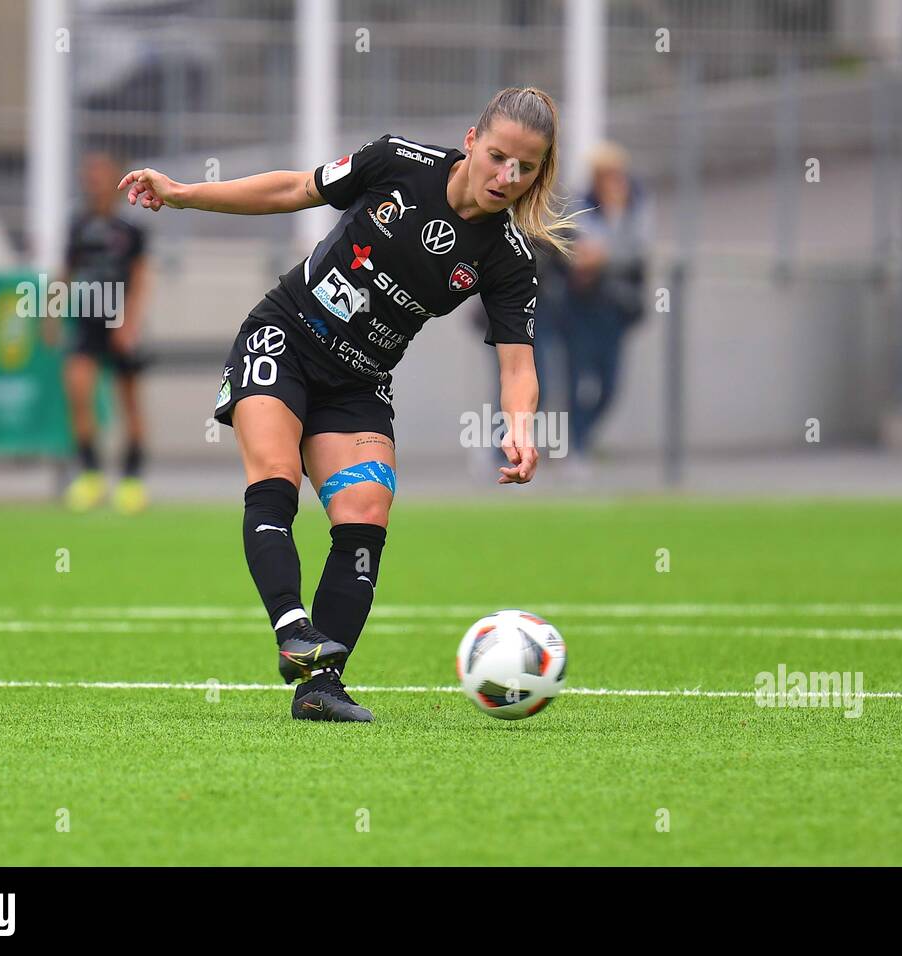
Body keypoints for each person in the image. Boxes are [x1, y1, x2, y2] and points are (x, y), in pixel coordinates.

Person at [116, 87, 575, 722]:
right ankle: (292, 629)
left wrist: (521, 427)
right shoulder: (397, 161)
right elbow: (293, 191)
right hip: (285, 336)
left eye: (526, 168)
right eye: (498, 156)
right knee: (276, 474)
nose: (508, 177)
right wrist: (184, 193)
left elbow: (518, 362)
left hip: (359, 381)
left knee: (366, 509)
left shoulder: (508, 258)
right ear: (471, 140)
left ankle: (320, 687)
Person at [59, 151, 152, 514]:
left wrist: (130, 322)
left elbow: (142, 276)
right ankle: (90, 476)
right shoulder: (78, 225)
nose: (93, 180)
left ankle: (131, 480)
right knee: (79, 391)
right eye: (89, 174)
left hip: (120, 321)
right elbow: (66, 269)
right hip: (86, 318)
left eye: (100, 174)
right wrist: (52, 313)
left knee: (127, 400)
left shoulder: (131, 229)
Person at [562, 142, 650, 463]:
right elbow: (579, 253)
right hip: (581, 307)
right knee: (578, 378)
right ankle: (578, 447)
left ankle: (583, 436)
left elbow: (635, 250)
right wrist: (597, 254)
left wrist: (608, 240)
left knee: (610, 383)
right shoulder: (580, 203)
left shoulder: (636, 205)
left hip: (616, 308)